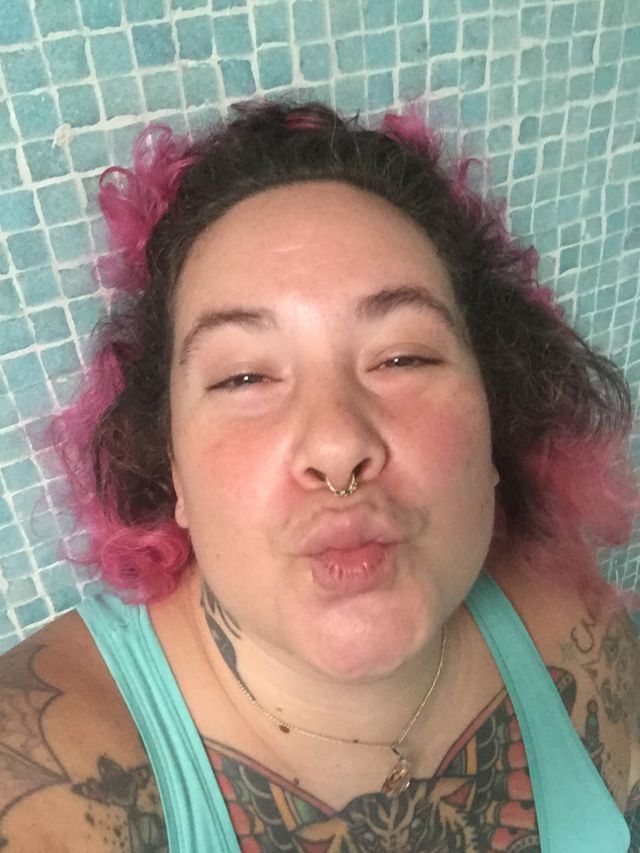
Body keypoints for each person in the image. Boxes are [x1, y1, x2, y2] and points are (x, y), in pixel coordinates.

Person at [0, 99, 638, 852]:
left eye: (403, 357)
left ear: (496, 417)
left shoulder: (579, 628)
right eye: (243, 377)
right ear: (169, 465)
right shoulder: (41, 775)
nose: (337, 445)